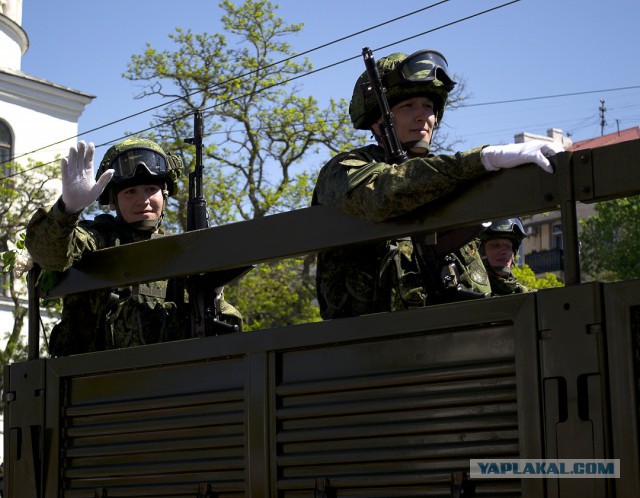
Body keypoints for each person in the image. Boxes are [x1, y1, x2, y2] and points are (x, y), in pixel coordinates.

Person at [313, 49, 563, 319]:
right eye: (407, 107)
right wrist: (483, 159)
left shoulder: (446, 178)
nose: (423, 117)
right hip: (371, 339)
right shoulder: (343, 169)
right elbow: (383, 193)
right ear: (378, 120)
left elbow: (485, 273)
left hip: (452, 330)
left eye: (428, 107)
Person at [25, 138, 242, 356]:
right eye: (130, 192)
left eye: (151, 189)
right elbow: (49, 254)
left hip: (172, 378)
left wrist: (214, 297)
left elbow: (227, 335)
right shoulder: (98, 237)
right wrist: (67, 211)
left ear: (164, 195)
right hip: (95, 379)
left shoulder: (180, 252)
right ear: (113, 200)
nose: (143, 200)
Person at [479, 218, 531, 295]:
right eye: (495, 246)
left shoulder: (525, 294)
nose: (504, 252)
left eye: (508, 246)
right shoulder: (469, 291)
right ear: (480, 252)